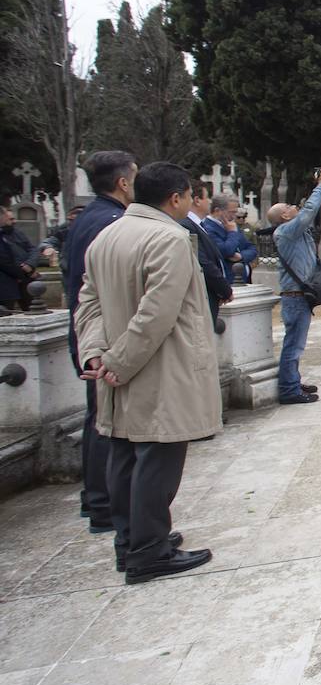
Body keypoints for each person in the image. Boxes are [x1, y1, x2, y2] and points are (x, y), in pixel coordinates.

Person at [74, 160, 215, 583]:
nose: (190, 202)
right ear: (176, 198)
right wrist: (119, 362)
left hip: (121, 363)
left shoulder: (107, 234)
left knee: (124, 454)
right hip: (159, 365)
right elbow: (158, 312)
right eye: (189, 195)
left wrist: (97, 353)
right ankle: (149, 551)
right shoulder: (169, 238)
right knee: (157, 456)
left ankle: (131, 540)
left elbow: (89, 302)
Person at [64, 151, 137, 532]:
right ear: (123, 182)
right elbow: (96, 291)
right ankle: (103, 504)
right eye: (135, 176)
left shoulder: (91, 218)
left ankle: (97, 500)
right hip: (103, 340)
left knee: (102, 420)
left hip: (95, 338)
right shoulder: (109, 223)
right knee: (107, 425)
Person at [269, 168, 321, 403]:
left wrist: (315, 185)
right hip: (294, 297)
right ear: (284, 217)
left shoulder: (297, 232)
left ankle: (292, 381)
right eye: (289, 207)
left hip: (299, 297)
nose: (294, 207)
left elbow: (308, 211)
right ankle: (288, 390)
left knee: (296, 344)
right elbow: (308, 212)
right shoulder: (286, 232)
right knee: (293, 346)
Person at [180, 183, 233, 324]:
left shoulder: (198, 224)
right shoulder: (186, 224)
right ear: (197, 200)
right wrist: (224, 289)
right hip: (204, 295)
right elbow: (203, 262)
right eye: (207, 197)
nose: (210, 201)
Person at [202, 193, 258, 283]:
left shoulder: (231, 224)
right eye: (232, 212)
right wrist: (232, 232)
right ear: (217, 211)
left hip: (244, 280)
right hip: (228, 281)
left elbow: (252, 248)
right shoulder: (208, 228)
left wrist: (241, 256)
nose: (234, 216)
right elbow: (226, 251)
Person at [0, 207, 35, 310]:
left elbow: (31, 248)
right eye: (6, 216)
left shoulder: (12, 233)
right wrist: (25, 274)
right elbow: (4, 262)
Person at [36, 204, 84, 277]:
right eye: (70, 220)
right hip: (69, 272)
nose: (72, 223)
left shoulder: (94, 231)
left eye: (74, 220)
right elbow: (48, 242)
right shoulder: (65, 230)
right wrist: (47, 247)